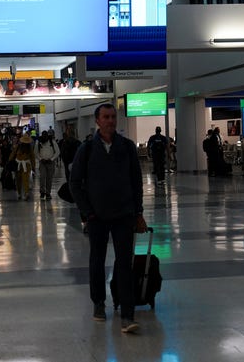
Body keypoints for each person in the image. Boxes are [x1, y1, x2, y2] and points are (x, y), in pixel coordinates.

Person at [69, 103, 146, 334]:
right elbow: (74, 183)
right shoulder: (88, 149)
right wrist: (87, 212)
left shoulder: (127, 147)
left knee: (124, 263)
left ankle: (127, 313)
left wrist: (138, 212)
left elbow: (136, 181)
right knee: (97, 261)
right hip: (97, 216)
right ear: (97, 121)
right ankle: (99, 304)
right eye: (106, 117)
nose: (111, 121)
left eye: (113, 117)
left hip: (124, 215)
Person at [10, 133, 35, 200]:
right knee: (18, 180)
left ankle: (26, 193)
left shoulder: (30, 148)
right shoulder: (18, 147)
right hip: (18, 165)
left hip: (26, 166)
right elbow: (13, 154)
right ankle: (19, 193)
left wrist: (33, 167)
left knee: (25, 179)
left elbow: (32, 158)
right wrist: (9, 161)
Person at [36, 130, 59, 200]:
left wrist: (51, 159)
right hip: (42, 163)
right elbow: (36, 152)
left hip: (50, 163)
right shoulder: (38, 142)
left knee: (49, 178)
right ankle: (42, 192)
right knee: (42, 177)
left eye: (46, 136)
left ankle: (48, 193)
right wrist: (40, 159)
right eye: (43, 136)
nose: (44, 137)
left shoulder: (52, 142)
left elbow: (57, 152)